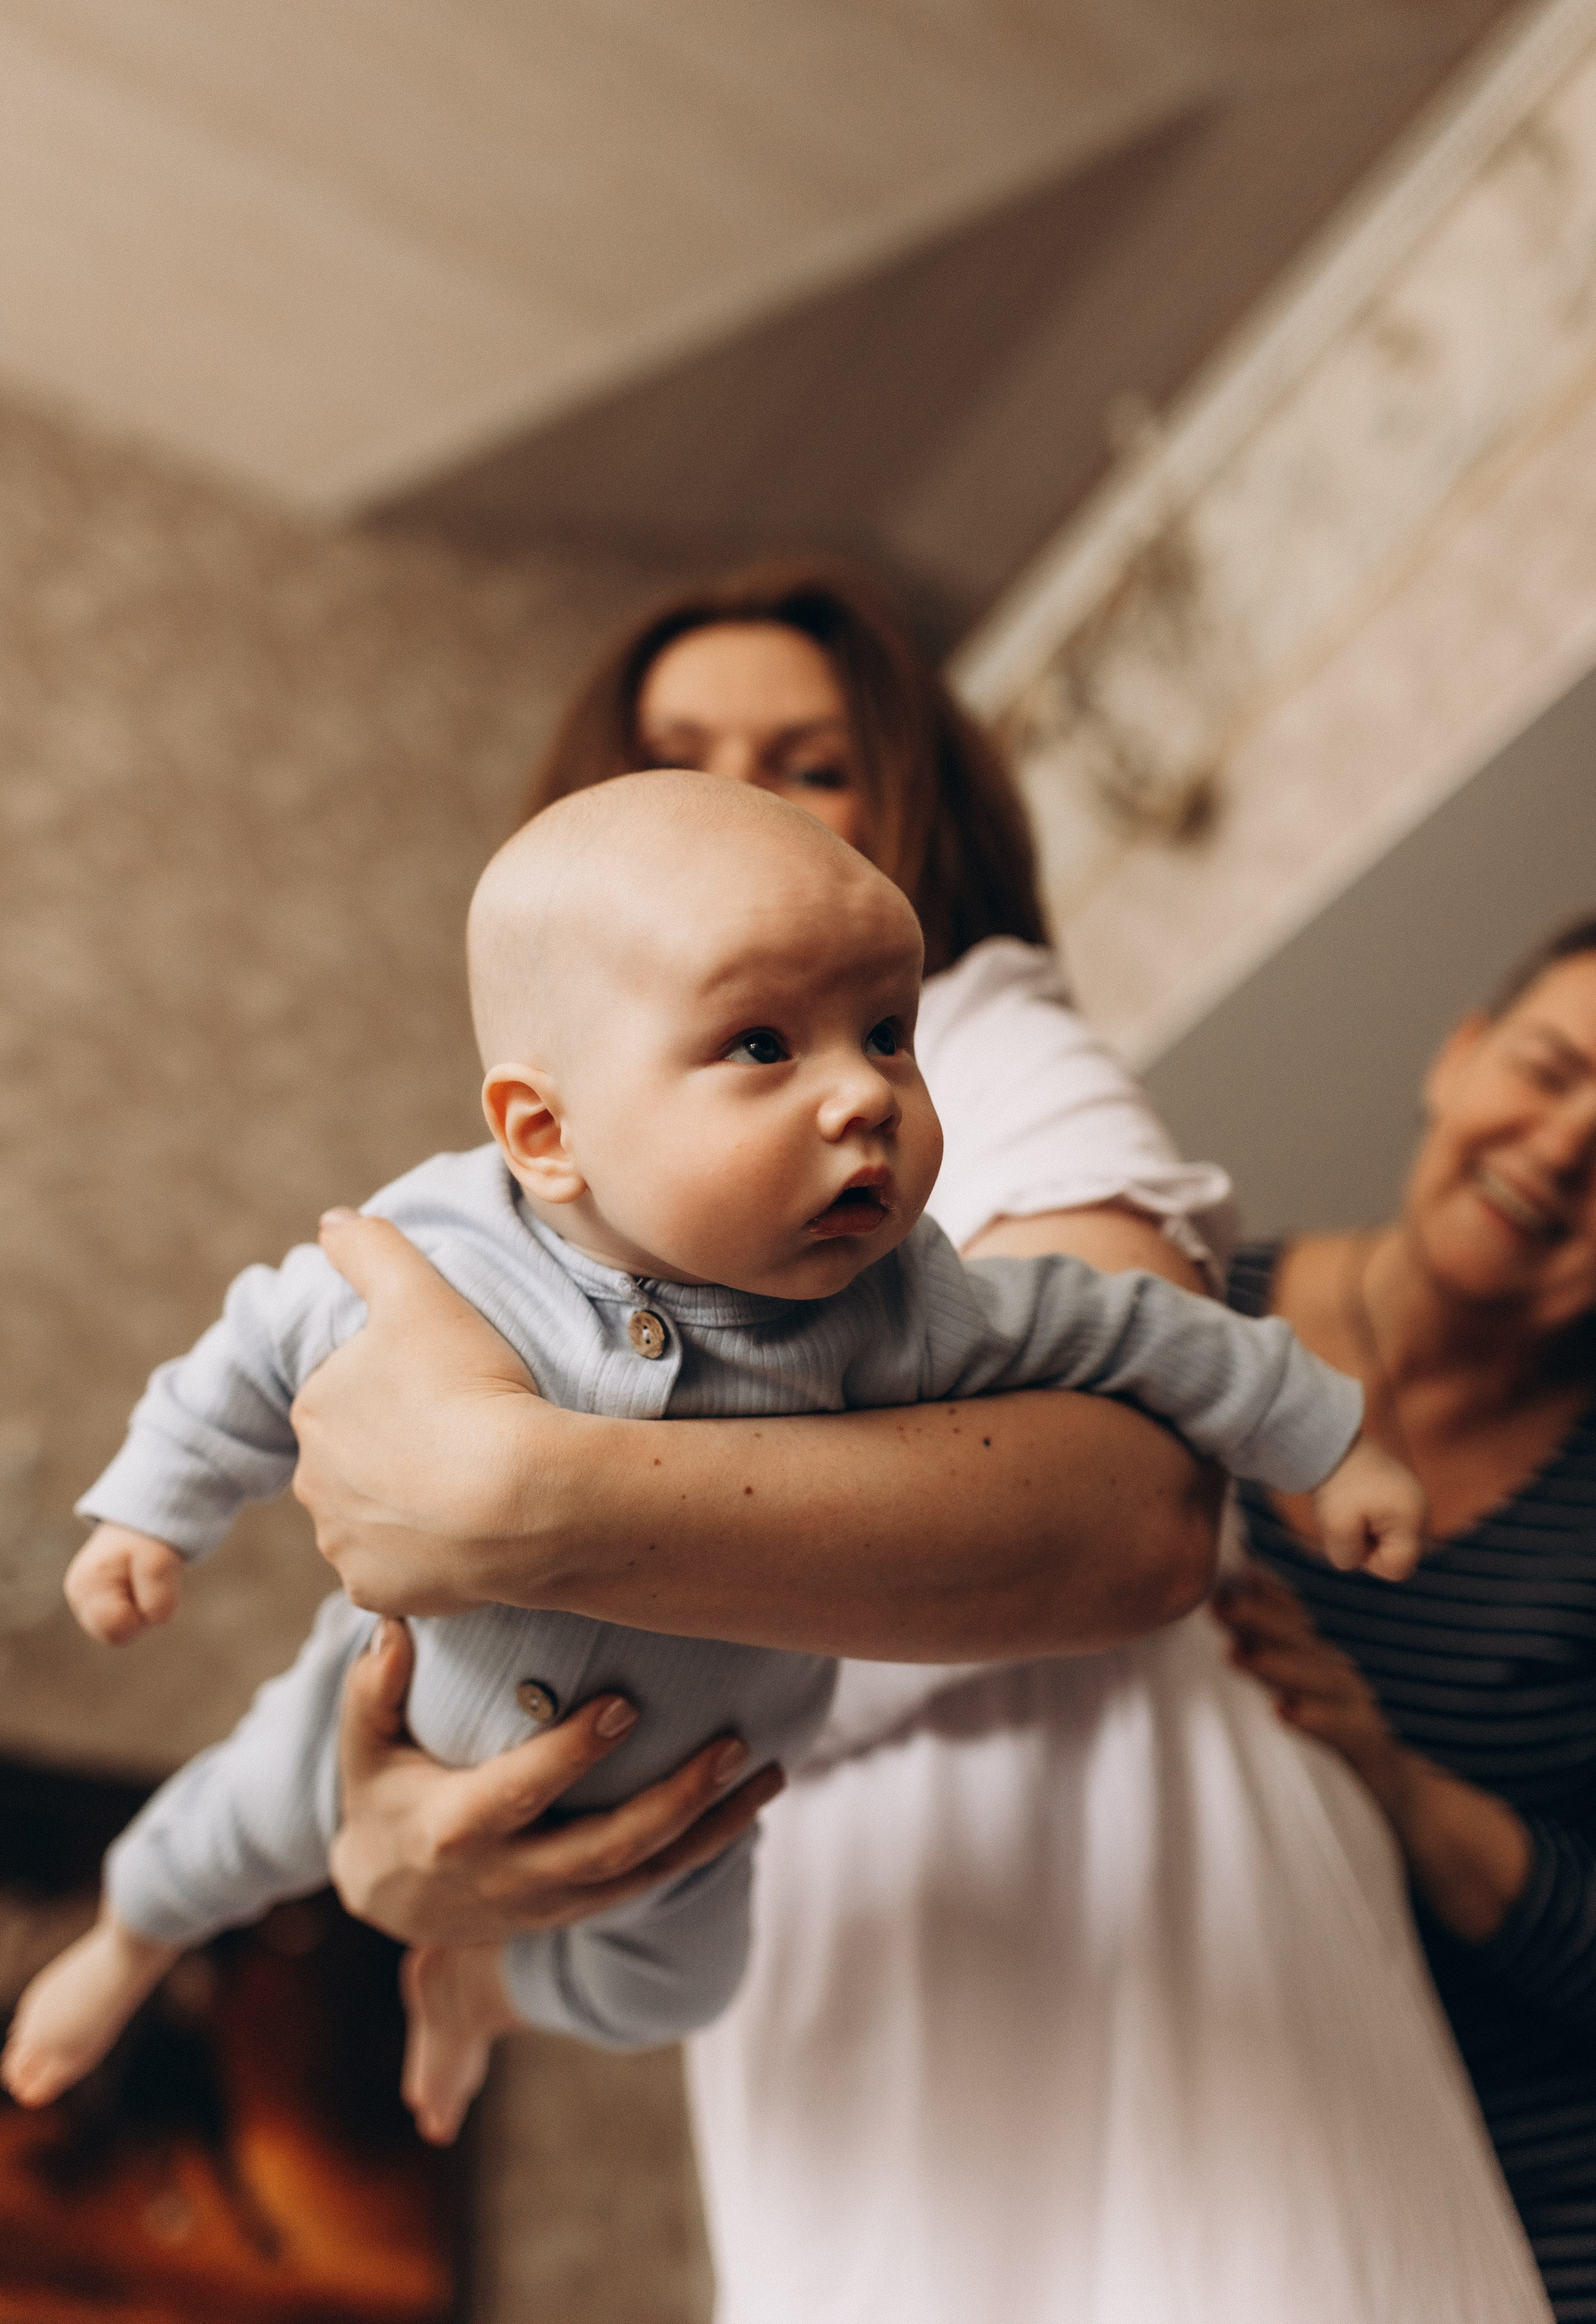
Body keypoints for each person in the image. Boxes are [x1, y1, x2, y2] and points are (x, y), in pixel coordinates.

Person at [287, 561, 1551, 2321]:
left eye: (805, 764)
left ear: (903, 822)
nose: (736, 797)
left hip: (1113, 1880)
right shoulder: (541, 1225)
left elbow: (1129, 1522)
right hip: (832, 1952)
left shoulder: (979, 1054)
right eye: (682, 758)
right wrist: (416, 1847)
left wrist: (531, 1498)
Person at [2, 769, 1399, 2149]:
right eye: (761, 1047)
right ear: (545, 1134)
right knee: (231, 1826)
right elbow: (256, 1346)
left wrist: (1319, 1440)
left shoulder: (911, 1310)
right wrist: (149, 1515)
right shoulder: (439, 1247)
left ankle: (491, 1989)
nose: (863, 1097)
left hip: (690, 1805)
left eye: (889, 1035)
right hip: (382, 1702)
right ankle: (122, 1946)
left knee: (681, 1983)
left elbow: (1144, 1333)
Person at [1220, 914, 1596, 2324]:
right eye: (1547, 1069)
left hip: (1535, 2194)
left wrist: (1393, 1785)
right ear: (1456, 1058)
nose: (1563, 1147)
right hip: (1231, 2149)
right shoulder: (1179, 1319)